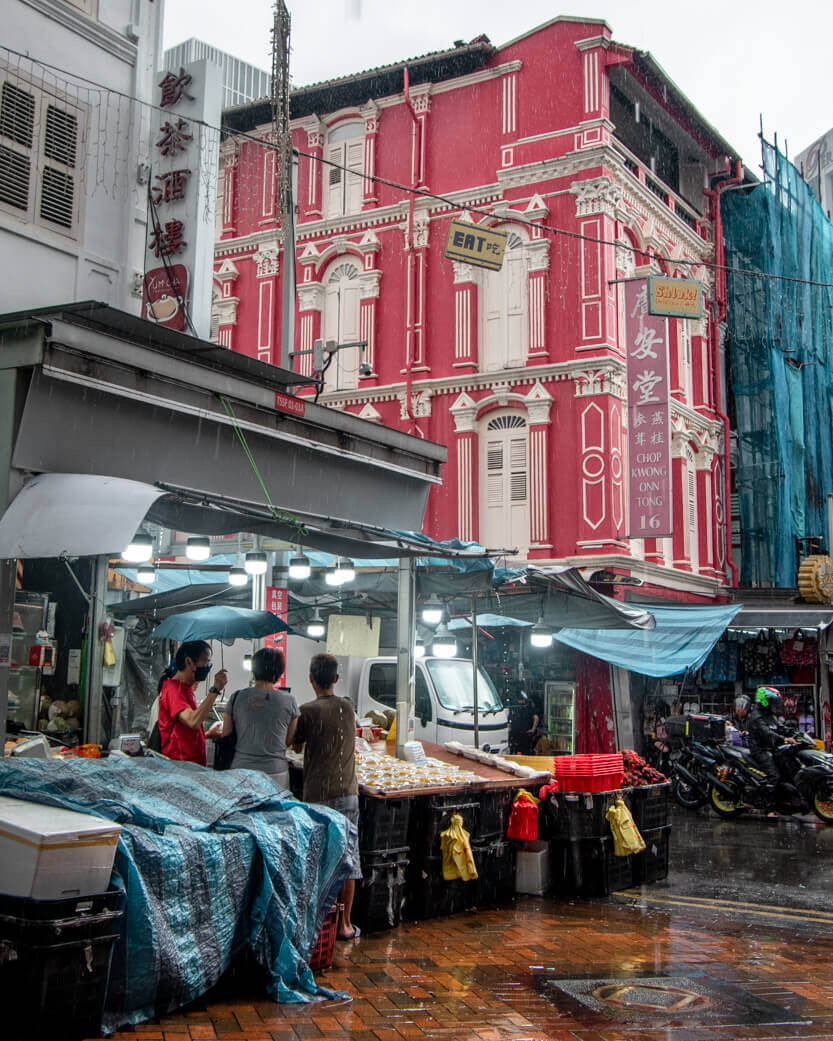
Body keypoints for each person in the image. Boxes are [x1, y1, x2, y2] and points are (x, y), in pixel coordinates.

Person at [293, 653, 362, 940]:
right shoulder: (348, 706)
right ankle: (345, 924)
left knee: (319, 859)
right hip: (347, 793)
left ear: (311, 679)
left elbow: (296, 747)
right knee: (347, 859)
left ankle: (320, 921)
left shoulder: (307, 710)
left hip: (317, 796)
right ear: (336, 678)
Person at [210, 647, 299, 787]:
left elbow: (226, 733)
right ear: (280, 671)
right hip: (276, 772)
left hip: (242, 770)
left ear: (254, 669)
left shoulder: (237, 697)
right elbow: (288, 741)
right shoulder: (289, 701)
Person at [158, 640, 227, 765]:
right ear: (189, 662)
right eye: (205, 662)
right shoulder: (174, 690)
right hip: (180, 767)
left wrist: (206, 734)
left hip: (191, 765)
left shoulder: (186, 689)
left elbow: (183, 732)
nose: (207, 667)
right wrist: (215, 690)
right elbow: (193, 721)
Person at [747, 685, 797, 791]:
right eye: (773, 702)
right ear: (765, 701)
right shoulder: (756, 717)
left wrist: (794, 733)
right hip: (760, 750)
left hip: (771, 748)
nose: (775, 706)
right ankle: (768, 801)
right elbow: (767, 732)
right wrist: (784, 739)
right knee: (775, 776)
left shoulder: (770, 715)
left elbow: (780, 727)